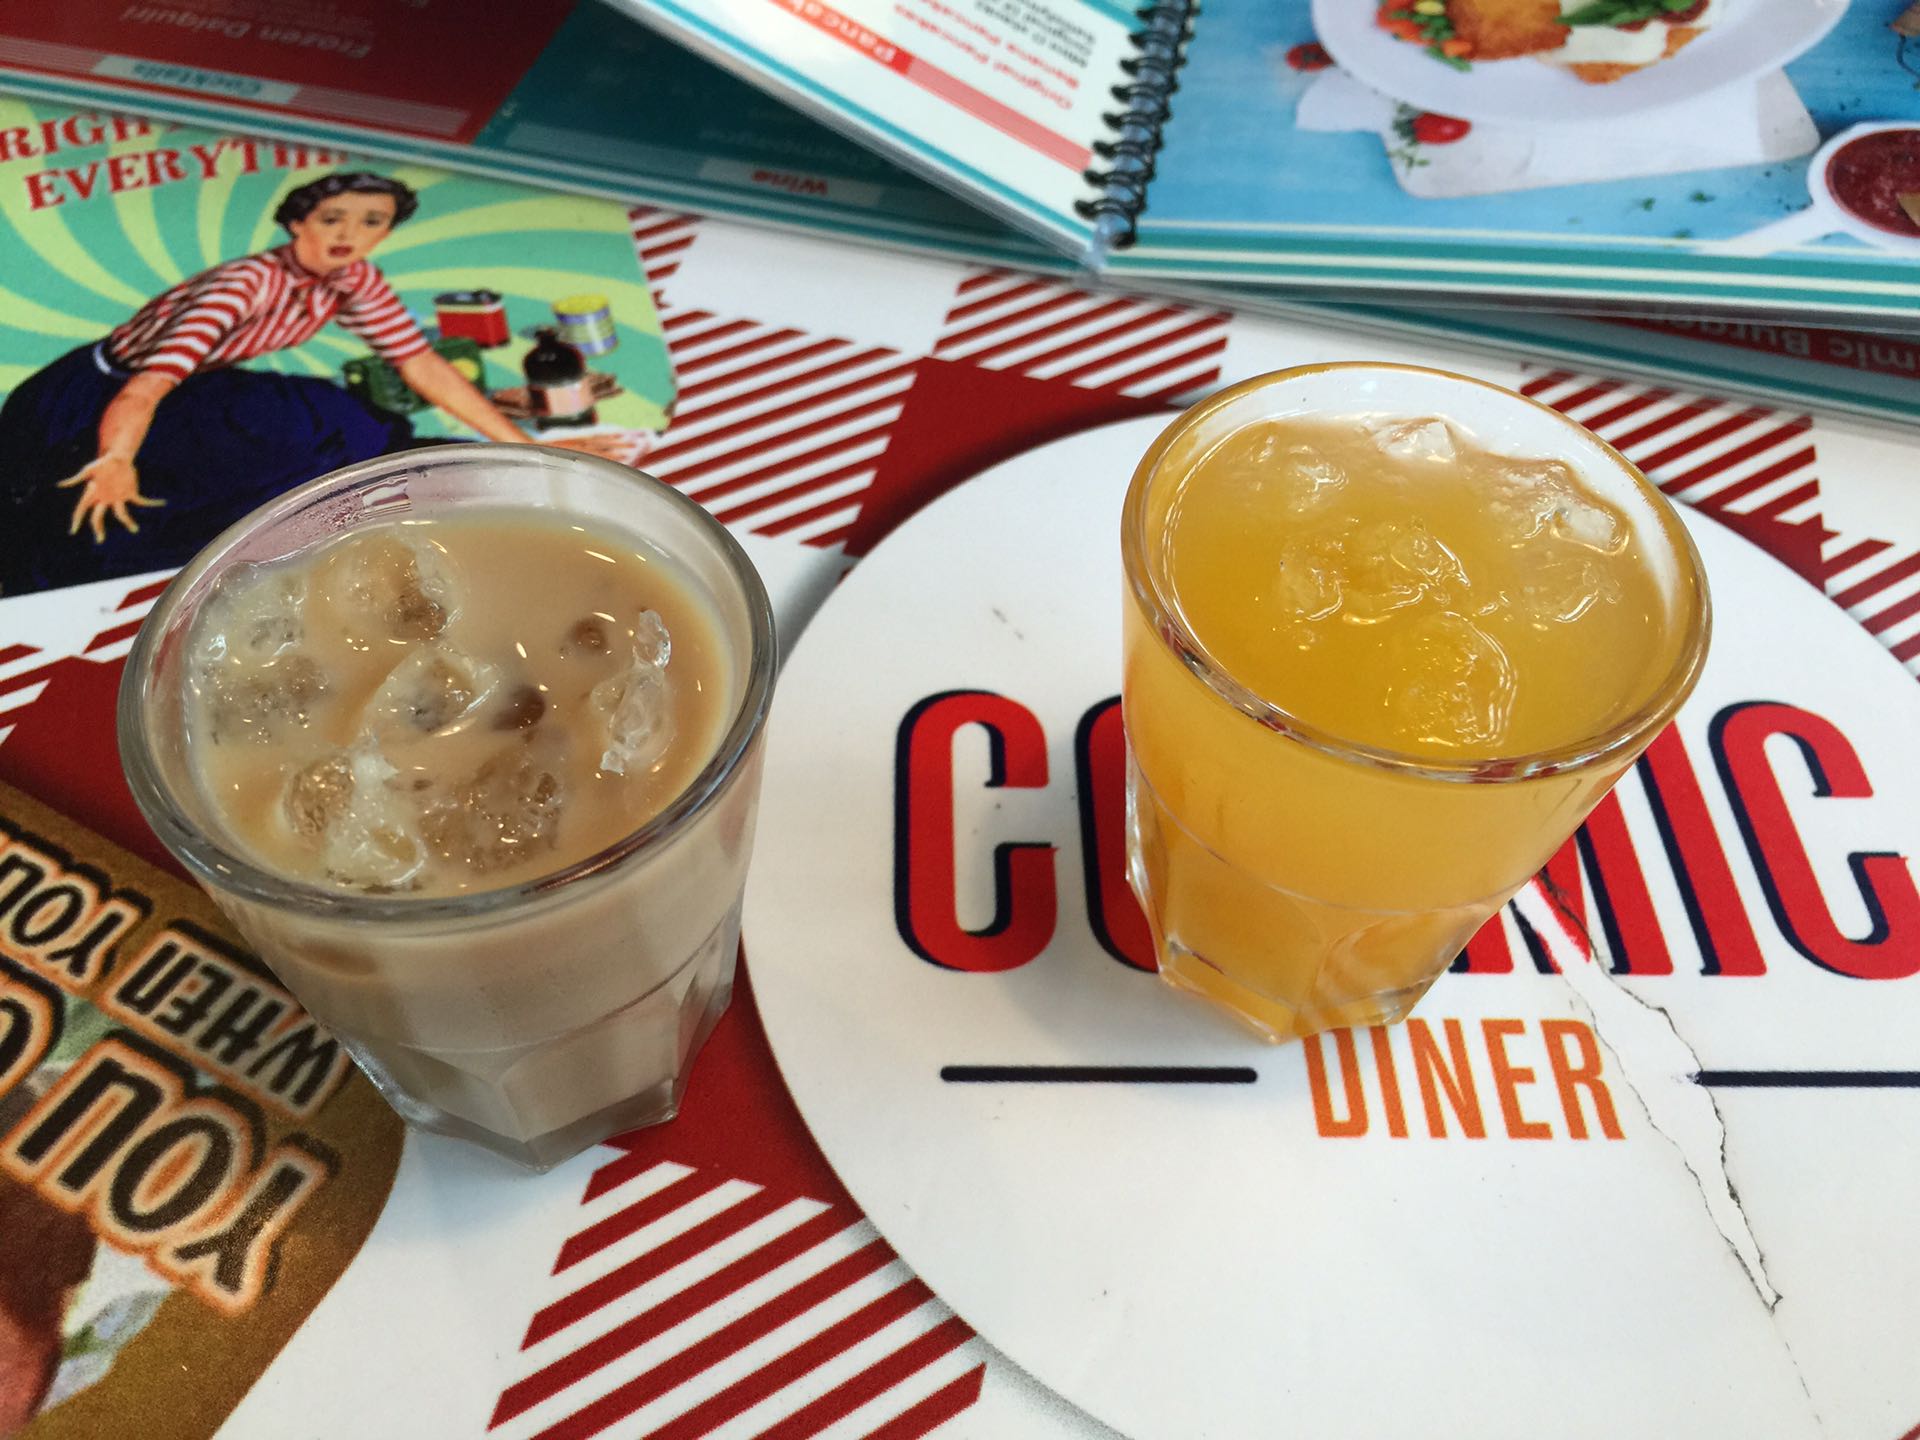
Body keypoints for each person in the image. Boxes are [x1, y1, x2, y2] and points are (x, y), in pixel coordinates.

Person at [0, 171, 617, 595]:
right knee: (165, 500)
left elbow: (420, 365)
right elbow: (145, 388)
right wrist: (114, 459)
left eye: (371, 221)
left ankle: (436, 468)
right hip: (93, 400)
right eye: (332, 219)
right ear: (299, 223)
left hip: (191, 389)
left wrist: (522, 447)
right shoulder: (242, 287)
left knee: (330, 421)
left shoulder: (354, 279)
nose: (349, 235)